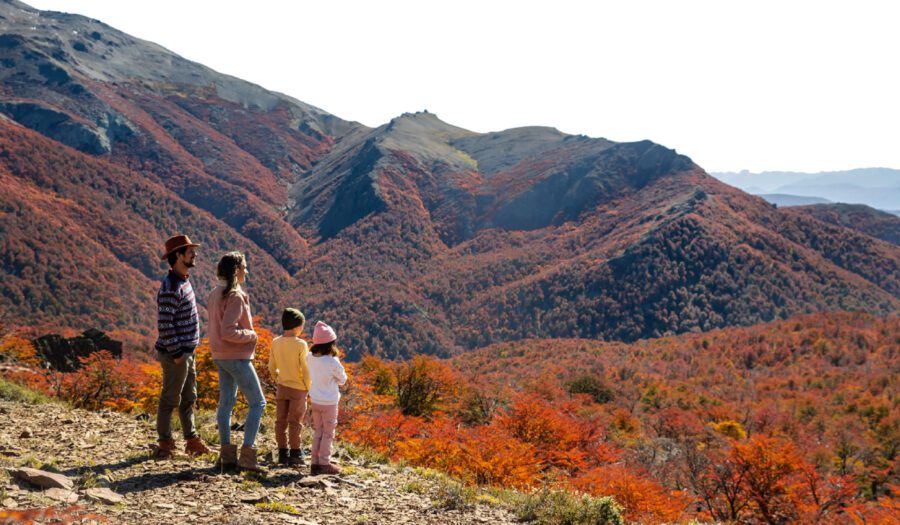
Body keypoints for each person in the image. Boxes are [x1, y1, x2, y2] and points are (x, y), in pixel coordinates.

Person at [153, 234, 210, 459]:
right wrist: (177, 353)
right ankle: (165, 443)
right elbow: (164, 325)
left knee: (189, 398)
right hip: (176, 354)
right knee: (170, 399)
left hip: (187, 352)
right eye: (190, 251)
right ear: (178, 256)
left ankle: (191, 440)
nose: (194, 254)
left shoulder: (183, 280)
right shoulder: (171, 287)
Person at [207, 251, 265, 473]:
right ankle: (247, 457)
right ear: (236, 270)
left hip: (220, 356)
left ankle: (226, 457)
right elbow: (228, 331)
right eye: (244, 267)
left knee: (226, 404)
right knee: (258, 403)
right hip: (237, 356)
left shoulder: (214, 293)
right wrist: (252, 335)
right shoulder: (235, 296)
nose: (246, 271)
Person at [268, 308, 311, 467]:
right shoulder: (301, 344)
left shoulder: (276, 342)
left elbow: (271, 366)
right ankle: (295, 453)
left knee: (280, 421)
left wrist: (277, 379)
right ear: (297, 326)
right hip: (298, 388)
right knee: (295, 422)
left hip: (282, 386)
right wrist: (308, 387)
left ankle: (282, 453)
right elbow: (305, 369)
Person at [306, 321, 348, 475]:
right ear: (331, 343)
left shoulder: (309, 357)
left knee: (318, 431)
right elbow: (343, 379)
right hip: (329, 402)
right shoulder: (332, 361)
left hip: (315, 400)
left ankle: (314, 463)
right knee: (328, 433)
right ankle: (324, 463)